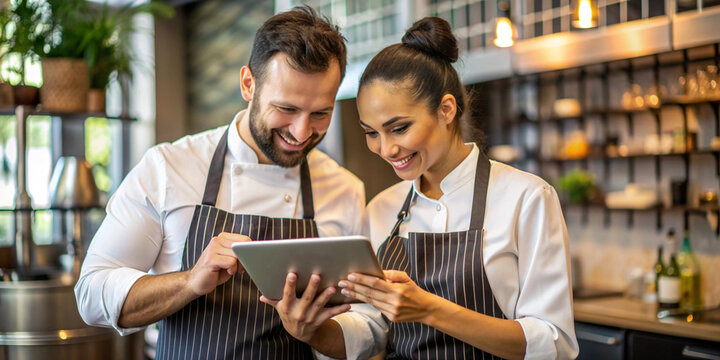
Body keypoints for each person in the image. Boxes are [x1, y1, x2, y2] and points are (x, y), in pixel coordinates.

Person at [75, 6, 384, 360]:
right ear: (248, 84)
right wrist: (189, 282)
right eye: (286, 108)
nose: (301, 132)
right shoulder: (168, 167)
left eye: (320, 114)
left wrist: (316, 332)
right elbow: (91, 294)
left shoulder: (344, 190)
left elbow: (370, 327)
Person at [336, 17, 579, 359]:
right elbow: (372, 328)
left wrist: (428, 309)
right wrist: (312, 330)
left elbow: (553, 342)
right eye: (372, 133)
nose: (386, 149)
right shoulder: (380, 210)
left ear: (446, 109)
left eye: (400, 128)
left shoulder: (527, 198)